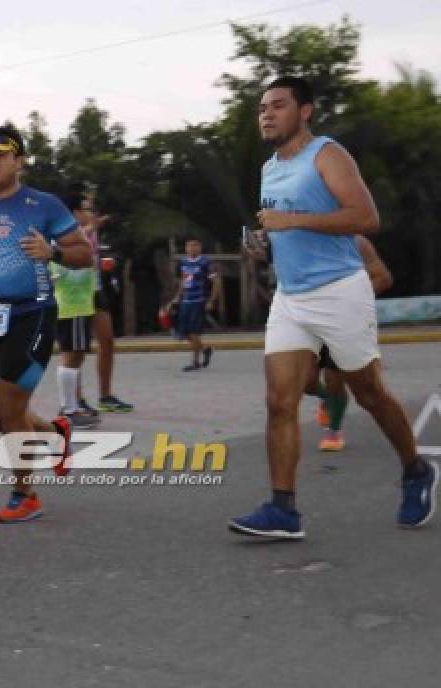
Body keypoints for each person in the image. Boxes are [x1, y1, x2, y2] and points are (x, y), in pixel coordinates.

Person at [228, 76, 436, 539]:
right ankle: (283, 510)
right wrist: (265, 244)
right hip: (291, 297)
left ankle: (416, 469)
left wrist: (291, 220)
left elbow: (366, 218)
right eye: (262, 107)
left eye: (278, 105)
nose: (266, 114)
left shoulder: (327, 154)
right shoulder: (270, 169)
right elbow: (285, 232)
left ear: (305, 111)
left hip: (340, 290)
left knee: (369, 394)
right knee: (279, 401)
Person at [0, 125, 93, 524]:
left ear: (19, 160)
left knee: (9, 400)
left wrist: (53, 252)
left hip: (32, 313)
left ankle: (25, 494)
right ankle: (53, 436)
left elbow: (84, 253)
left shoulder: (42, 205)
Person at [293, 237, 391, 452]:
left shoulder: (357, 243)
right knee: (307, 382)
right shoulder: (302, 241)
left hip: (342, 319)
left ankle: (333, 430)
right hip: (307, 317)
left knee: (334, 379)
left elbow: (383, 279)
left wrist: (346, 297)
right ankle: (328, 400)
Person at [52, 190, 103, 429]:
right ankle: (68, 410)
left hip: (78, 304)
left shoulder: (71, 237)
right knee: (72, 356)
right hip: (71, 305)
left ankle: (72, 406)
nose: (87, 213)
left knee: (75, 355)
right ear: (73, 213)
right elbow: (60, 268)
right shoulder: (65, 238)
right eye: (83, 209)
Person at [79, 194, 132, 413]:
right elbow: (67, 246)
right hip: (75, 292)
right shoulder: (69, 227)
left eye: (93, 209)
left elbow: (94, 256)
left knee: (107, 342)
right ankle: (75, 400)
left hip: (96, 288)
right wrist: (92, 226)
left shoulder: (94, 230)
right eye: (86, 208)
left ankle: (105, 396)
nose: (92, 213)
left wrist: (105, 262)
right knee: (76, 349)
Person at [170, 238, 220, 372]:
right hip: (186, 300)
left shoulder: (206, 262)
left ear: (200, 247)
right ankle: (205, 349)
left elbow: (216, 282)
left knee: (194, 332)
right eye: (188, 245)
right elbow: (183, 280)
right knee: (183, 332)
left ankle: (195, 361)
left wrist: (211, 301)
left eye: (194, 245)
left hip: (199, 301)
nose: (191, 248)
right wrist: (177, 297)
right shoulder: (183, 262)